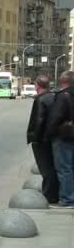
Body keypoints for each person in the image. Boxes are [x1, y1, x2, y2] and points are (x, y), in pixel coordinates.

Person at [26, 75, 59, 203]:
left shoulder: (40, 99)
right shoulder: (54, 97)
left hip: (41, 140)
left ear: (37, 86)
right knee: (52, 167)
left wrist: (35, 138)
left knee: (45, 169)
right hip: (51, 138)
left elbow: (39, 120)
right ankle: (54, 193)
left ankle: (49, 196)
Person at [46, 70, 74, 208]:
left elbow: (55, 118)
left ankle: (67, 199)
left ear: (63, 81)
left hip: (64, 137)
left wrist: (48, 135)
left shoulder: (63, 95)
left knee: (64, 169)